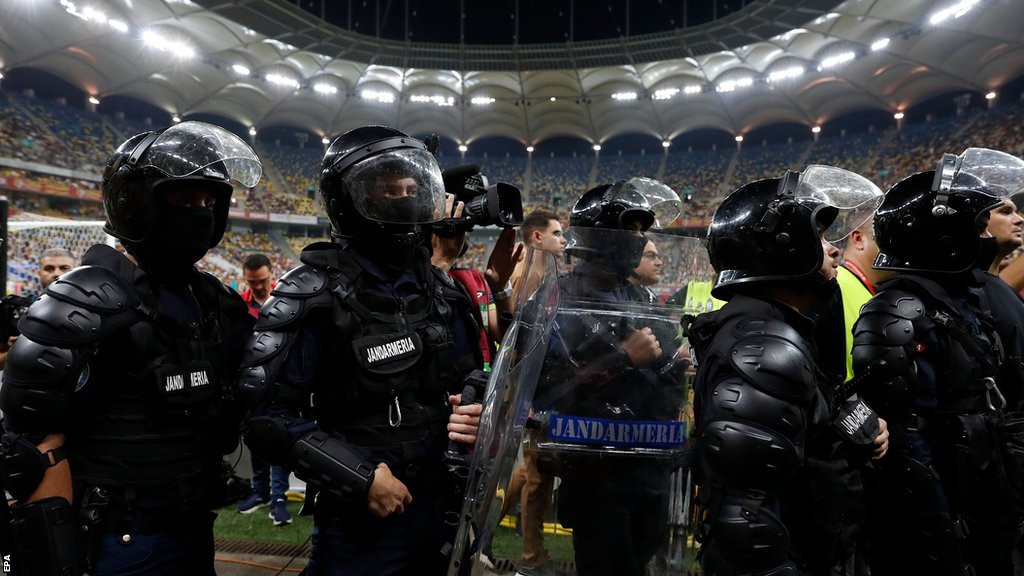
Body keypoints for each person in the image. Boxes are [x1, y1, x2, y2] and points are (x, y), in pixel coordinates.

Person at [0, 120, 260, 575]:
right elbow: (35, 446)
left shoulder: (213, 300)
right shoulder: (82, 301)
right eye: (183, 198)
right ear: (136, 202)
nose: (200, 212)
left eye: (209, 201)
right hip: (117, 536)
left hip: (194, 524)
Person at [239, 125, 484, 576]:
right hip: (360, 522)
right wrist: (362, 477)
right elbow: (265, 417)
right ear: (347, 200)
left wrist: (471, 408)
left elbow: (470, 378)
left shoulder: (443, 290)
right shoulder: (309, 294)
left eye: (413, 189)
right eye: (389, 191)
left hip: (443, 508)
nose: (406, 200)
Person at [689, 166, 888, 576]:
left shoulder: (779, 329)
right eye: (817, 236)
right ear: (782, 248)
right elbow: (747, 516)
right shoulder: (765, 345)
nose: (833, 249)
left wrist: (862, 427)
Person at [851, 147, 1023, 576]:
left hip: (983, 502)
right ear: (944, 234)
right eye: (979, 223)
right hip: (934, 519)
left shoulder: (966, 299)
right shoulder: (898, 309)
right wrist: (941, 535)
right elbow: (904, 443)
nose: (984, 234)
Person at [533, 177, 689, 576]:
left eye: (641, 230)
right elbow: (542, 391)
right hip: (595, 474)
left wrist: (677, 367)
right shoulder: (555, 297)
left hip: (651, 465)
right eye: (630, 229)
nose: (638, 239)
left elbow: (663, 378)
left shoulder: (642, 298)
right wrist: (621, 358)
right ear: (601, 234)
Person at [485, 208, 567, 575]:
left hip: (534, 390)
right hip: (522, 393)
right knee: (534, 474)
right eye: (557, 233)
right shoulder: (525, 274)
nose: (563, 240)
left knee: (526, 469)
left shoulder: (548, 273)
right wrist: (524, 396)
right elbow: (509, 337)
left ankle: (482, 534)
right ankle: (532, 556)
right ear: (537, 238)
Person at [235, 252, 294, 526]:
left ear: (271, 274)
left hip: (279, 383)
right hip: (251, 385)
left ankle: (279, 498)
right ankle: (261, 493)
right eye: (252, 282)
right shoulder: (238, 305)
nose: (257, 286)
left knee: (278, 439)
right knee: (256, 438)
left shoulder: (285, 302)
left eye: (261, 280)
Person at [628, 239, 662, 303]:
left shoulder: (648, 294)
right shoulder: (614, 293)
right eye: (651, 255)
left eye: (658, 257)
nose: (659, 263)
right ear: (632, 258)